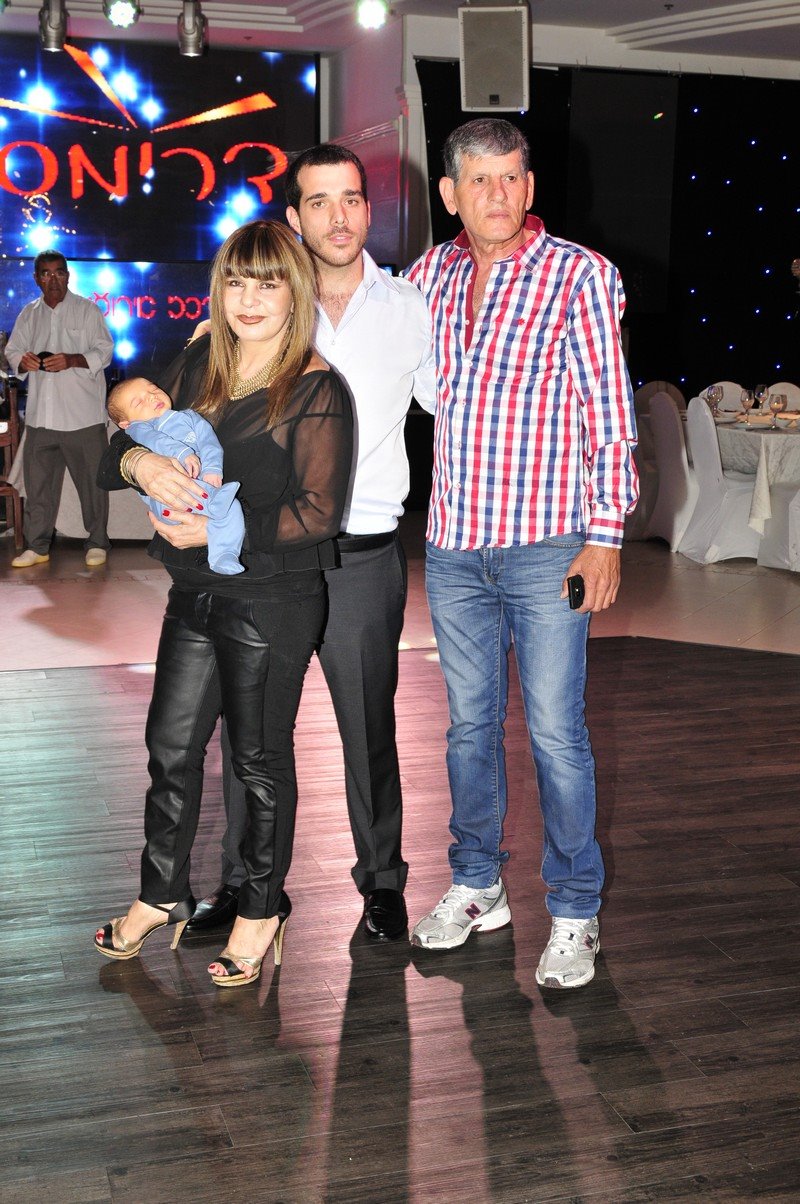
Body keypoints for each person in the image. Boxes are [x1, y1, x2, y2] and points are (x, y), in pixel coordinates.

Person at [405, 119, 638, 988]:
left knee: (555, 734)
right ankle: (478, 885)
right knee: (468, 730)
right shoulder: (427, 277)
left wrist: (605, 536)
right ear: (450, 194)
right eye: (480, 180)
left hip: (549, 544)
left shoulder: (580, 275)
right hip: (455, 546)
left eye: (512, 178)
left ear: (530, 188)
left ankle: (575, 909)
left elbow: (610, 414)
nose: (498, 194)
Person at [185, 145, 436, 942]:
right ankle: (245, 884)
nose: (338, 216)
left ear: (368, 208)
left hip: (361, 555)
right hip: (270, 556)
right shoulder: (259, 308)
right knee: (251, 731)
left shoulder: (411, 307)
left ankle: (383, 883)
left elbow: (458, 404)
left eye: (351, 198)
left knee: (368, 728)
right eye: (319, 201)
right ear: (294, 217)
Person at [93, 220, 353, 987]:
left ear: (294, 292)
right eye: (236, 281)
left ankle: (262, 909)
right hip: (196, 590)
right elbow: (119, 442)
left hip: (272, 599)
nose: (250, 298)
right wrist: (141, 464)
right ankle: (160, 894)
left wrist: (217, 526)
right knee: (170, 748)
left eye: (268, 282)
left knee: (258, 762)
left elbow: (318, 513)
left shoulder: (316, 388)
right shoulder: (200, 362)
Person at [6, 251, 114, 567]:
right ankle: (37, 546)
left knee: (93, 485)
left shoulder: (88, 310)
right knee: (38, 487)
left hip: (83, 416)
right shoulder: (29, 314)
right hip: (41, 417)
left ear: (68, 275)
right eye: (46, 273)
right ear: (36, 278)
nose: (53, 279)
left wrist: (72, 359)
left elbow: (104, 351)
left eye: (59, 272)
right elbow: (13, 351)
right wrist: (22, 361)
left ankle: (97, 543)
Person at [107, 376, 245, 575]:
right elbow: (155, 440)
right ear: (125, 423)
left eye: (153, 388)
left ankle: (224, 555)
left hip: (204, 490)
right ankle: (214, 504)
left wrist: (212, 469)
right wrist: (182, 453)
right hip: (169, 499)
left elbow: (209, 443)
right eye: (138, 402)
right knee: (221, 504)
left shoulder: (191, 417)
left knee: (233, 507)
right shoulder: (138, 428)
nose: (152, 397)